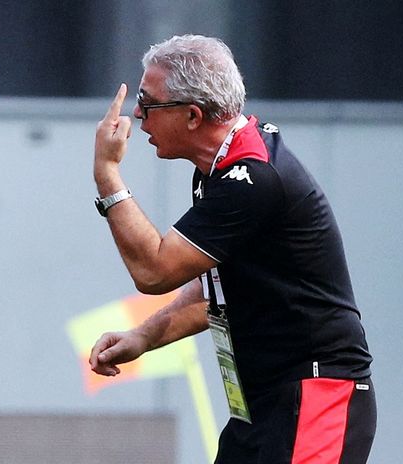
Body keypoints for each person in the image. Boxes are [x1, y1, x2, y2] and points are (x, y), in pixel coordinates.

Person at [89, 34, 376, 463]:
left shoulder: (252, 177)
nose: (137, 116)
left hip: (315, 396)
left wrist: (107, 173)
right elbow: (216, 292)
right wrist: (142, 337)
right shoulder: (221, 168)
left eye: (148, 104)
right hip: (262, 404)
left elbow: (155, 272)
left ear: (192, 115)